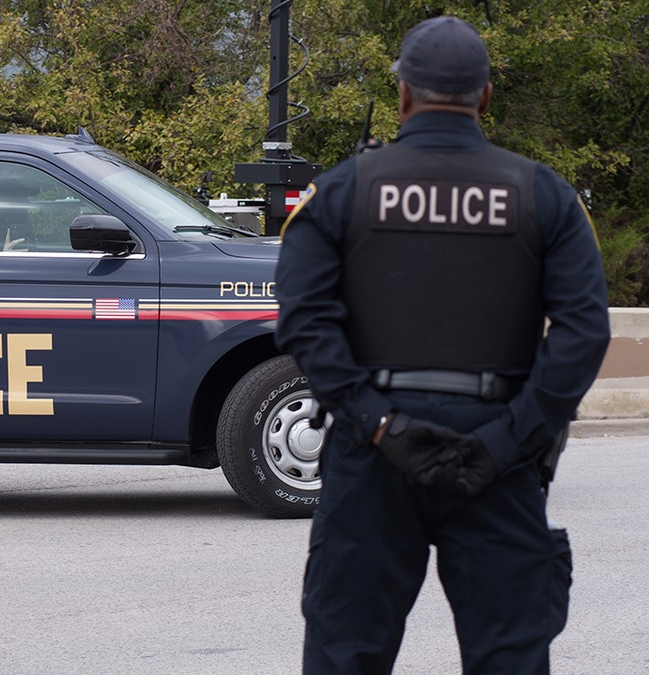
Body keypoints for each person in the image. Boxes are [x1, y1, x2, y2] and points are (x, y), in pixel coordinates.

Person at [274, 15, 610, 674]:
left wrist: (376, 423)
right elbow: (583, 330)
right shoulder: (545, 195)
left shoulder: (341, 191)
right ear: (485, 98)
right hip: (497, 457)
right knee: (509, 655)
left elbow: (305, 317)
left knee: (347, 652)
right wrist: (512, 439)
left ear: (402, 95)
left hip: (372, 457)